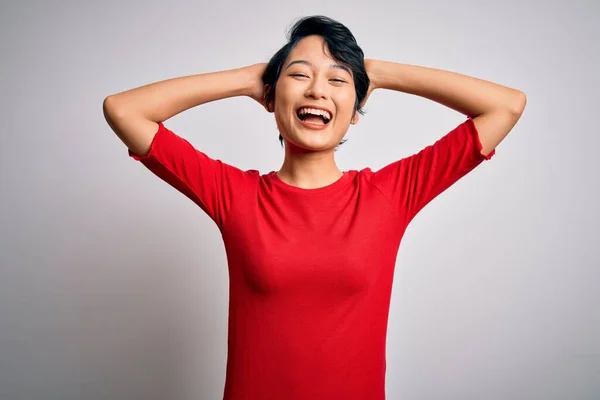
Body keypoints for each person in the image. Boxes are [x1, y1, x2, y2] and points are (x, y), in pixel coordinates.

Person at [103, 15, 526, 400]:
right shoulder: (235, 195)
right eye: (299, 75)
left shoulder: (389, 195)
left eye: (338, 80)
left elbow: (505, 106)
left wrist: (376, 73)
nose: (317, 90)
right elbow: (124, 110)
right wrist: (249, 79)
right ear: (272, 97)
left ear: (357, 109)